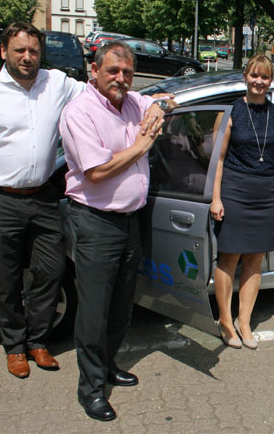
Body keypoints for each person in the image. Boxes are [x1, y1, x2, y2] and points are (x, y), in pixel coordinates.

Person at [0, 22, 85, 378]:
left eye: (33, 51)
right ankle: (15, 346)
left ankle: (39, 341)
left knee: (51, 269)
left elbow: (98, 93)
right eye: (19, 51)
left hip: (43, 195)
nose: (27, 57)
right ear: (4, 52)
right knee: (6, 274)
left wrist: (147, 99)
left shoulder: (56, 83)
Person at [59, 41, 175, 421]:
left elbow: (170, 98)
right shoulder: (80, 112)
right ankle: (90, 389)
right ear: (94, 71)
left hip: (131, 221)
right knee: (93, 311)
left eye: (127, 72)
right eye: (112, 71)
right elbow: (97, 171)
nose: (120, 79)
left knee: (123, 305)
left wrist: (160, 105)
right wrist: (142, 145)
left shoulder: (133, 101)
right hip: (96, 222)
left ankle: (108, 366)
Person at [211, 55, 274, 350]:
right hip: (235, 190)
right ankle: (225, 320)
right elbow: (217, 160)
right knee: (229, 257)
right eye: (254, 76)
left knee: (255, 259)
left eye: (265, 77)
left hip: (266, 193)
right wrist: (216, 197)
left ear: (271, 81)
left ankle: (244, 321)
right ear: (245, 76)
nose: (259, 82)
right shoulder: (230, 112)